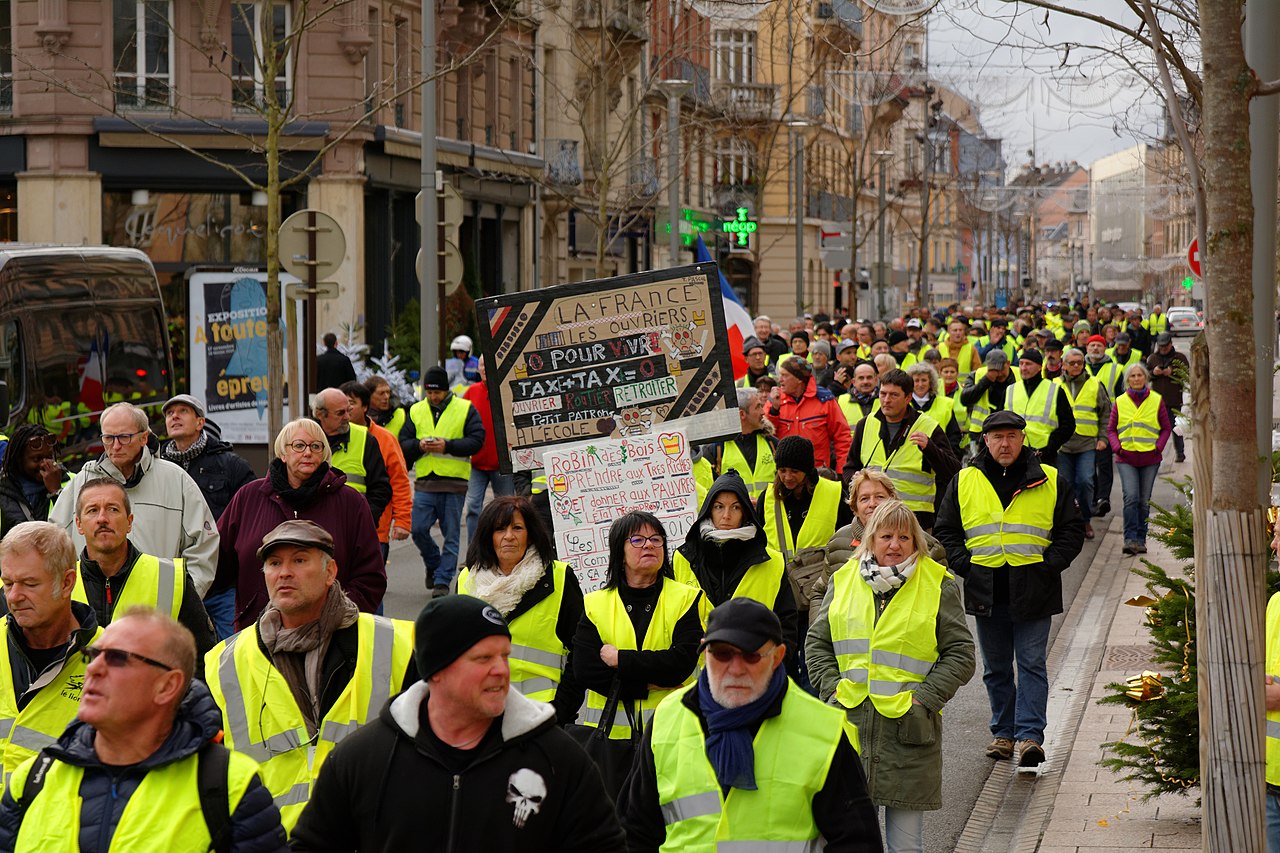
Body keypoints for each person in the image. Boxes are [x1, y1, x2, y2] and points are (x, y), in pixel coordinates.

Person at [291, 595, 626, 852]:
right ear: (436, 670)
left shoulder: (557, 758)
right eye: (483, 658)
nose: (501, 670)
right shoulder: (363, 758)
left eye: (504, 656)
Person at [0, 608, 288, 851]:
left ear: (167, 686)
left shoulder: (228, 786)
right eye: (92, 655)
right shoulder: (32, 779)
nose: (93, 670)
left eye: (116, 658)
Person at [618, 598, 882, 853]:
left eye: (751, 656)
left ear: (777, 657)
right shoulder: (667, 717)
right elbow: (636, 831)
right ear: (704, 652)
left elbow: (858, 841)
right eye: (722, 654)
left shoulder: (823, 729)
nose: (735, 669)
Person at [205, 520, 417, 832]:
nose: (284, 573)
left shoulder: (396, 642)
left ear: (331, 572)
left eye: (299, 560)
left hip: (369, 834)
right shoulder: (225, 661)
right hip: (273, 839)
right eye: (274, 563)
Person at [807, 500, 975, 853]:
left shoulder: (938, 585)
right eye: (885, 536)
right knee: (850, 845)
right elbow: (817, 643)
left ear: (916, 542)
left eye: (904, 537)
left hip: (909, 735)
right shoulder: (843, 580)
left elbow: (961, 654)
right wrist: (831, 690)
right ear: (870, 539)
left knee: (905, 848)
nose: (895, 545)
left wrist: (924, 699)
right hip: (849, 729)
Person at [933, 410, 1085, 769]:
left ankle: (1030, 736)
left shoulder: (1049, 479)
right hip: (987, 589)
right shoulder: (965, 479)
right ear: (985, 441)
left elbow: (1071, 529)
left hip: (1035, 587)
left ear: (1022, 439)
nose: (1005, 443)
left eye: (1012, 436)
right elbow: (946, 531)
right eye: (997, 437)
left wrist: (1050, 566)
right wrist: (966, 566)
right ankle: (1003, 733)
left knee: (1031, 664)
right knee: (996, 667)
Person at [215, 418, 386, 630]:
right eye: (299, 445)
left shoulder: (350, 502)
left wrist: (337, 617)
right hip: (257, 633)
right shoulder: (248, 497)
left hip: (330, 635)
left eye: (316, 446)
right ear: (283, 454)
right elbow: (217, 564)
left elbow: (370, 577)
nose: (308, 452)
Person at [49, 402, 220, 598]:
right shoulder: (83, 480)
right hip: (91, 613)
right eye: (108, 438)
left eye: (124, 437)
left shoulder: (176, 480)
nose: (115, 446)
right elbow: (55, 543)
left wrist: (181, 600)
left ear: (143, 438)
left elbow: (204, 546)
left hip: (157, 610)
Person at [572, 512, 703, 741]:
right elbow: (586, 671)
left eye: (656, 539)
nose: (649, 545)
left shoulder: (685, 598)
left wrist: (621, 659)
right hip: (611, 741)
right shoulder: (595, 604)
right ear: (619, 553)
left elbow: (680, 664)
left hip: (673, 734)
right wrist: (645, 685)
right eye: (637, 540)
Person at [455, 496, 584, 725]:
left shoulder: (560, 577)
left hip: (542, 714)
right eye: (499, 529)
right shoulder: (467, 580)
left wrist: (560, 710)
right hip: (480, 712)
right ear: (488, 536)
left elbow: (581, 651)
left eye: (517, 528)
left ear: (531, 534)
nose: (509, 537)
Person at [0, 522, 101, 791]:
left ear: (67, 582)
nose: (14, 596)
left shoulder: (109, 658)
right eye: (7, 583)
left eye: (30, 584)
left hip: (60, 830)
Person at [72, 477, 217, 663]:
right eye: (92, 510)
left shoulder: (171, 579)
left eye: (113, 509)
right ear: (78, 524)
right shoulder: (62, 583)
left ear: (129, 522)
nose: (102, 518)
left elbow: (202, 660)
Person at [673, 472, 797, 668]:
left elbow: (787, 627)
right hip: (696, 687)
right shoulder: (683, 559)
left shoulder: (772, 562)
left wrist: (773, 671)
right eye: (719, 507)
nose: (726, 516)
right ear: (709, 510)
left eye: (735, 507)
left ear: (745, 512)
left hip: (755, 677)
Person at [159, 394, 257, 638]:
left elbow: (253, 518)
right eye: (170, 413)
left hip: (221, 585)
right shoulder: (154, 467)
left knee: (230, 654)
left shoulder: (231, 465)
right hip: (171, 585)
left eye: (183, 411)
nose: (175, 416)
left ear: (200, 422)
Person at [400, 365, 486, 596]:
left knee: (451, 536)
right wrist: (419, 446)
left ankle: (442, 581)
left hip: (454, 483)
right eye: (429, 392)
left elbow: (477, 440)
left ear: (446, 390)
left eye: (436, 392)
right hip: (425, 482)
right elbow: (403, 443)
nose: (432, 396)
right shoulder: (416, 410)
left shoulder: (464, 409)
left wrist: (447, 445)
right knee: (417, 530)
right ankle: (434, 564)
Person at [843, 369, 959, 530]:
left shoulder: (928, 427)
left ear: (908, 397)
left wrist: (931, 449)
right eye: (883, 394)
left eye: (893, 395)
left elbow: (954, 473)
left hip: (914, 521)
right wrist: (856, 485)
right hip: (872, 520)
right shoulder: (866, 424)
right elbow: (850, 467)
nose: (886, 400)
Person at [341, 380, 413, 564]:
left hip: (376, 528)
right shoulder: (328, 437)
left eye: (351, 403)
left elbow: (399, 481)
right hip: (338, 529)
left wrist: (402, 521)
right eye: (342, 403)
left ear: (365, 406)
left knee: (370, 586)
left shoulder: (385, 439)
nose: (346, 409)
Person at [1107, 363, 1173, 555]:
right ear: (1127, 380)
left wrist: (1158, 447)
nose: (1136, 379)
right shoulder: (1120, 401)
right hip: (1126, 457)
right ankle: (1129, 539)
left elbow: (1166, 428)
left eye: (1139, 375)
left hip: (1149, 459)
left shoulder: (1156, 400)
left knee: (1144, 500)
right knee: (1131, 497)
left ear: (1145, 378)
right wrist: (1117, 447)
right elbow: (1111, 429)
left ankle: (1141, 539)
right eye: (1132, 376)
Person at [759, 436, 851, 568]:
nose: (788, 477)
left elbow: (849, 538)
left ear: (807, 470)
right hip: (778, 579)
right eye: (782, 470)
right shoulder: (767, 497)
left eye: (795, 471)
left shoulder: (834, 494)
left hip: (820, 580)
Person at [312, 387, 392, 528]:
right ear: (320, 414)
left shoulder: (365, 439)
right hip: (313, 527)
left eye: (348, 410)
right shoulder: (305, 436)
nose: (347, 418)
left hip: (353, 528)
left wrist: (367, 520)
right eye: (340, 413)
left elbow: (381, 488)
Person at [1055, 348, 1110, 541]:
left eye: (1079, 362)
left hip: (1087, 443)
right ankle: (1070, 523)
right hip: (1063, 445)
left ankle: (1085, 519)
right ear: (1064, 365)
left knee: (1085, 482)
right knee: (1066, 484)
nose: (1076, 366)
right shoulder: (1055, 385)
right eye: (1072, 363)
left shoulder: (1094, 384)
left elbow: (1106, 413)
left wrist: (1103, 438)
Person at [692, 386, 778, 502]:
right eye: (758, 407)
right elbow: (710, 491)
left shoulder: (773, 444)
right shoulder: (715, 449)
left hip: (769, 516)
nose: (763, 412)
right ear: (742, 414)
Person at [765, 356, 851, 470]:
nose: (780, 380)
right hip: (785, 474)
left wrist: (842, 471)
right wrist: (773, 411)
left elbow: (842, 438)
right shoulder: (775, 399)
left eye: (785, 375)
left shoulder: (825, 400)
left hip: (817, 473)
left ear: (799, 379)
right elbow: (765, 435)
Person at [460, 359, 514, 540]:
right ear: (478, 368)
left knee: (508, 511)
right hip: (476, 463)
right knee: (473, 507)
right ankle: (473, 554)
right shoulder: (471, 392)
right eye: (482, 364)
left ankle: (504, 550)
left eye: (488, 364)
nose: (485, 368)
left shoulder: (507, 390)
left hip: (503, 464)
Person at [1003, 349, 1075, 466]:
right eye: (1021, 364)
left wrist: (1051, 445)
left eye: (1028, 364)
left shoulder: (1055, 390)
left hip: (1044, 454)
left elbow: (1068, 425)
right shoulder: (1010, 390)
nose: (1023, 368)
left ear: (1039, 367)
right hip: (1015, 452)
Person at [0, 425, 62, 540]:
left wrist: (56, 492)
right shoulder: (3, 493)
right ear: (19, 460)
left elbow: (75, 527)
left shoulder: (71, 481)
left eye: (49, 457)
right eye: (36, 459)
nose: (45, 464)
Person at [1146, 331, 1188, 463]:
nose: (1163, 349)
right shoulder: (1153, 358)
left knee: (1175, 428)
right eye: (1161, 347)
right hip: (1157, 400)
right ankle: (1155, 453)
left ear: (1171, 344)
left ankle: (1180, 453)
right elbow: (1146, 375)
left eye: (1165, 347)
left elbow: (1187, 374)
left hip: (1174, 399)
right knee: (1157, 429)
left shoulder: (1179, 357)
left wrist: (1173, 372)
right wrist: (1154, 372)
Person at [906, 362, 963, 460]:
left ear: (931, 382)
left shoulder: (946, 404)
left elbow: (954, 438)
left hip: (938, 461)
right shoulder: (903, 404)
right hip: (907, 463)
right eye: (916, 380)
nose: (920, 384)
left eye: (924, 380)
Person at [961, 349, 1017, 443]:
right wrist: (986, 381)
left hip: (1011, 428)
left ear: (1008, 363)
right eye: (994, 370)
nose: (998, 374)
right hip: (982, 433)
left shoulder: (1020, 375)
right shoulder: (977, 375)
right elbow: (965, 399)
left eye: (1001, 369)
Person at [837, 361, 881, 436]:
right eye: (861, 378)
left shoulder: (885, 400)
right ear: (853, 381)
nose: (865, 381)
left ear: (876, 380)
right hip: (851, 447)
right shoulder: (841, 401)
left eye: (869, 377)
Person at [938, 318, 982, 384]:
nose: (958, 333)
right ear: (949, 332)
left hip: (964, 388)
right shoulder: (939, 347)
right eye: (955, 330)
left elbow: (977, 370)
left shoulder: (971, 348)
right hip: (943, 388)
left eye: (960, 330)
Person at [364, 374, 407, 440]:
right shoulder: (360, 416)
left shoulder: (399, 413)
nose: (386, 397)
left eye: (388, 392)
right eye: (381, 393)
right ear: (369, 396)